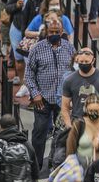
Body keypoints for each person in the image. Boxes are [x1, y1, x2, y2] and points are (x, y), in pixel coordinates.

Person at [25, 19, 75, 168]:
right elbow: (28, 75)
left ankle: (57, 163)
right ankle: (36, 165)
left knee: (63, 133)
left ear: (62, 32)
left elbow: (75, 72)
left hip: (63, 100)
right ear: (46, 32)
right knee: (39, 132)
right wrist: (35, 94)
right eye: (51, 32)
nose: (54, 34)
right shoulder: (37, 49)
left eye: (57, 32)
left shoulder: (69, 48)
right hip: (43, 99)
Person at [62, 47, 99, 128]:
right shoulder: (69, 80)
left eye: (86, 61)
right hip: (77, 123)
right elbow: (65, 107)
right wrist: (69, 127)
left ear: (93, 61)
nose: (84, 64)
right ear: (77, 61)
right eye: (81, 62)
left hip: (98, 122)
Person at [6, 0, 38, 92]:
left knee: (30, 60)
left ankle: (30, 86)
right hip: (16, 29)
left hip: (30, 32)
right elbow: (8, 8)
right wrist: (17, 5)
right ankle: (22, 82)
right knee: (19, 60)